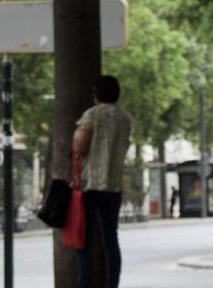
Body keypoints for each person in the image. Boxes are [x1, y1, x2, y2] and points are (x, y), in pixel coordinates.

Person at [72, 75, 134, 288]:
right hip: (114, 185)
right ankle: (112, 284)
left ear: (96, 94)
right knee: (111, 239)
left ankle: (85, 284)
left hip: (91, 185)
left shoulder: (92, 115)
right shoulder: (125, 118)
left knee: (84, 241)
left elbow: (80, 147)